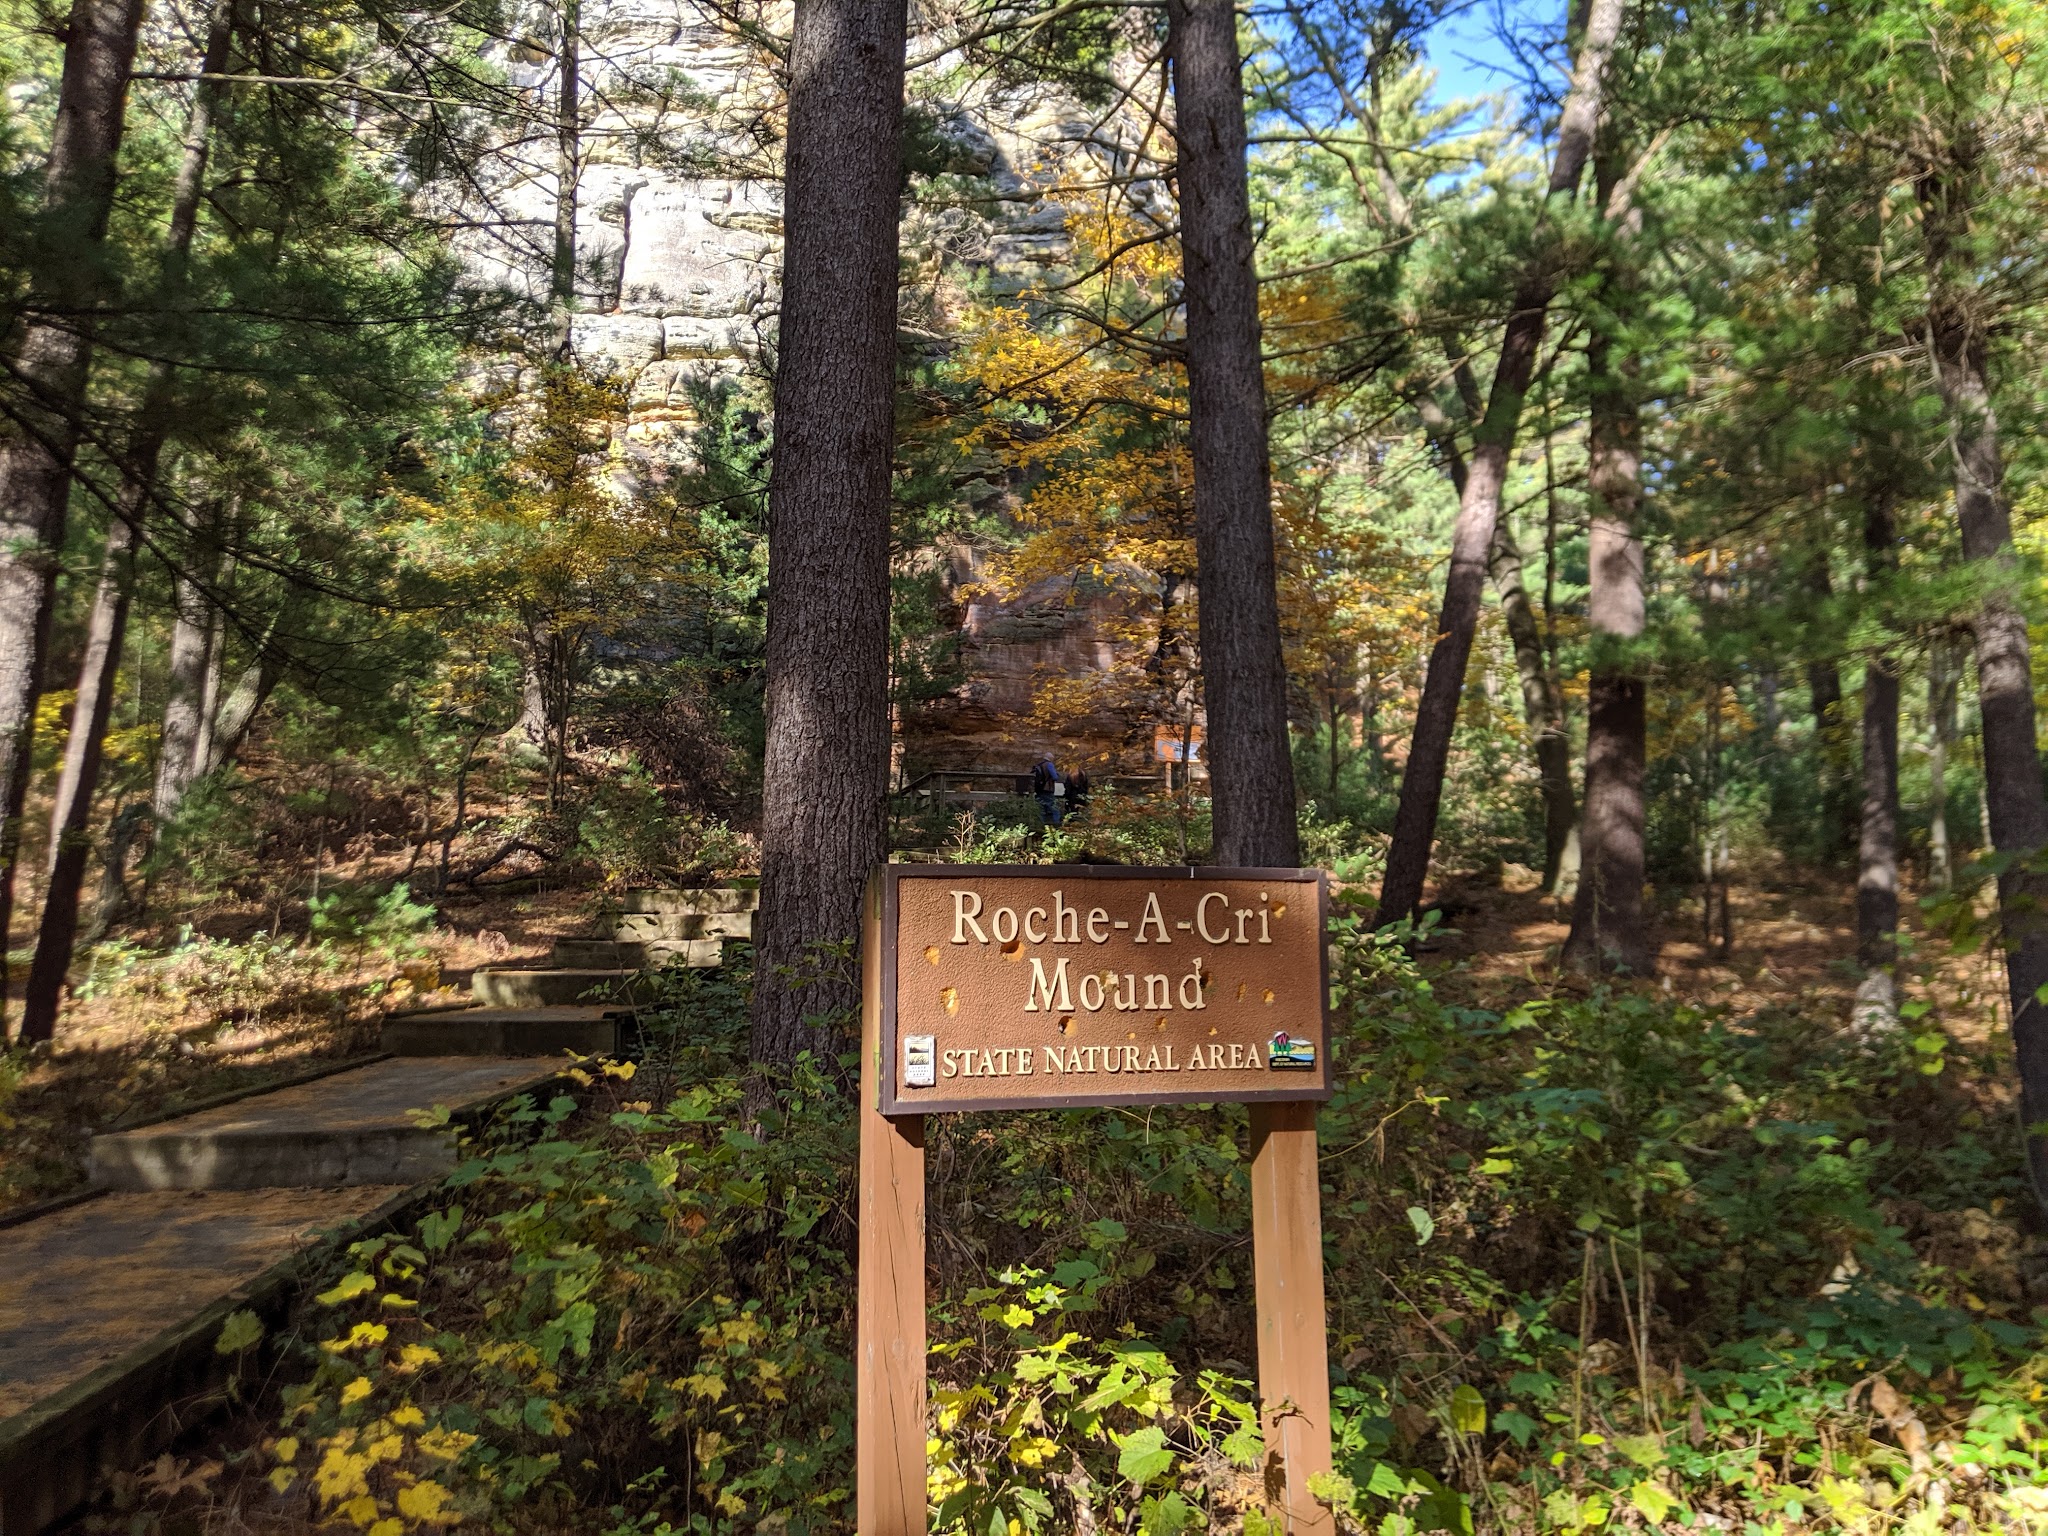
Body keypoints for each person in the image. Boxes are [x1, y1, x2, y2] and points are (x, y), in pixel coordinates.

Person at [1031, 757, 1065, 827]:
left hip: (1039, 789)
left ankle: (1041, 824)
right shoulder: (1049, 765)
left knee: (1041, 807)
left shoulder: (1039, 765)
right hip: (1047, 789)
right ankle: (1057, 823)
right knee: (1054, 806)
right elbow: (1055, 777)